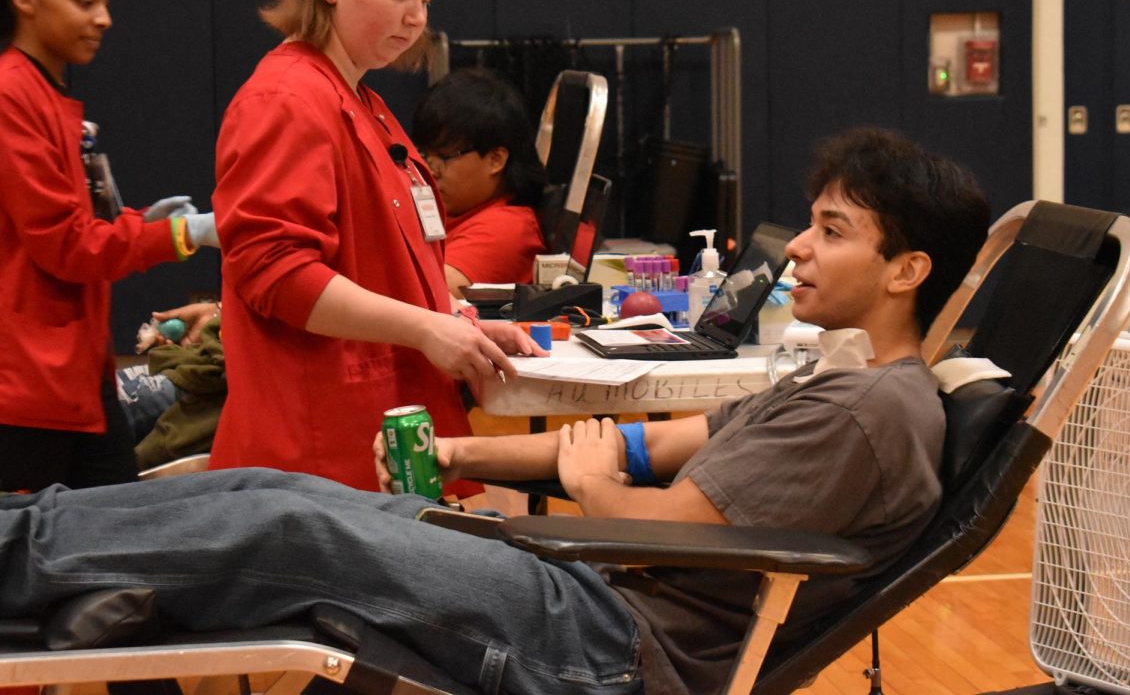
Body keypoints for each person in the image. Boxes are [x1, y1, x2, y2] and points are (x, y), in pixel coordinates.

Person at [0, 126, 990, 694]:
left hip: (612, 641)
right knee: (279, 488)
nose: (801, 249)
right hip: (592, 595)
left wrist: (593, 484)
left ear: (907, 268)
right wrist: (463, 447)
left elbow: (669, 520)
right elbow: (657, 443)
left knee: (291, 526)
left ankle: (31, 558)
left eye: (832, 230)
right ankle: (59, 558)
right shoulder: (836, 377)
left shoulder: (870, 410)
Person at [206, 0, 540, 495]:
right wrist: (425, 330)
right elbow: (275, 271)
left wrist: (457, 320)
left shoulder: (362, 101)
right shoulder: (287, 98)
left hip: (376, 435)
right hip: (315, 451)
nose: (416, 17)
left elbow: (391, 264)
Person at [0, 0, 220, 493]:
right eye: (83, 1)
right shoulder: (10, 95)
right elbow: (67, 245)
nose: (103, 19)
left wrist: (138, 224)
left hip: (71, 371)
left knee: (116, 533)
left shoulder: (47, 95)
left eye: (104, 2)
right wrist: (180, 235)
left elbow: (76, 226)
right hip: (25, 382)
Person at [411, 67, 548, 297]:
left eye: (444, 157)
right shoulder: (456, 211)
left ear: (495, 160)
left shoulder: (506, 228)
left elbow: (423, 294)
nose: (429, 171)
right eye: (424, 155)